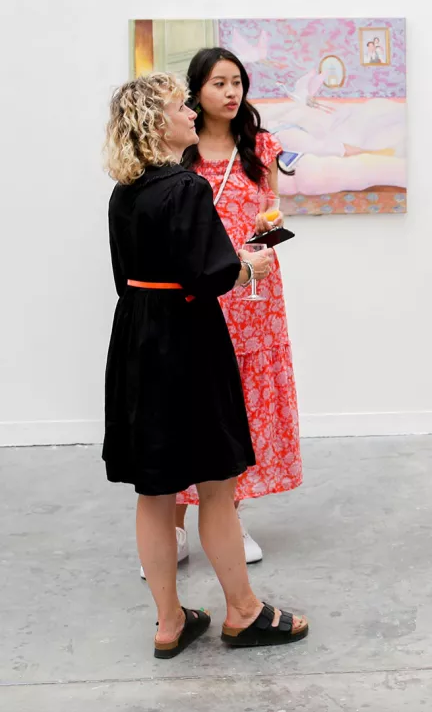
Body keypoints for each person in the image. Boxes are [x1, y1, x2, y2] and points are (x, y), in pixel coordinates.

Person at [104, 72, 308, 657]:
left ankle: (169, 622)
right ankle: (243, 612)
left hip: (138, 339)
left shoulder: (125, 191)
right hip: (189, 341)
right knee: (217, 486)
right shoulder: (186, 188)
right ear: (154, 122)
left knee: (155, 490)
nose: (191, 112)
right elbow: (210, 273)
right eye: (179, 106)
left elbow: (127, 274)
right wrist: (249, 265)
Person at [142, 47, 303, 577]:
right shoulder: (176, 149)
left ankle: (231, 514)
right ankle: (177, 530)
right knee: (193, 404)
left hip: (254, 294)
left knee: (244, 404)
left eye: (237, 82)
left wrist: (263, 240)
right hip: (196, 294)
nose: (231, 93)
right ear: (196, 91)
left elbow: (270, 212)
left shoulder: (261, 145)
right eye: (218, 83)